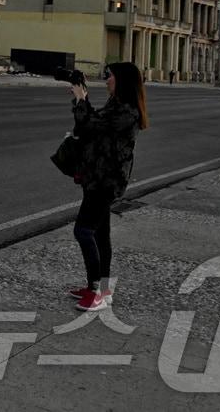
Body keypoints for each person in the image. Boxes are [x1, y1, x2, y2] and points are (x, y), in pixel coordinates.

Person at [67, 62, 149, 312]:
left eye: (109, 76)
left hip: (106, 181)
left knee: (83, 231)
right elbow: (88, 124)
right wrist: (82, 98)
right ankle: (103, 289)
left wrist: (82, 101)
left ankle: (96, 292)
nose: (106, 80)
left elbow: (89, 125)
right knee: (101, 234)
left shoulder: (127, 110)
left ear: (122, 80)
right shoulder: (117, 106)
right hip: (97, 177)